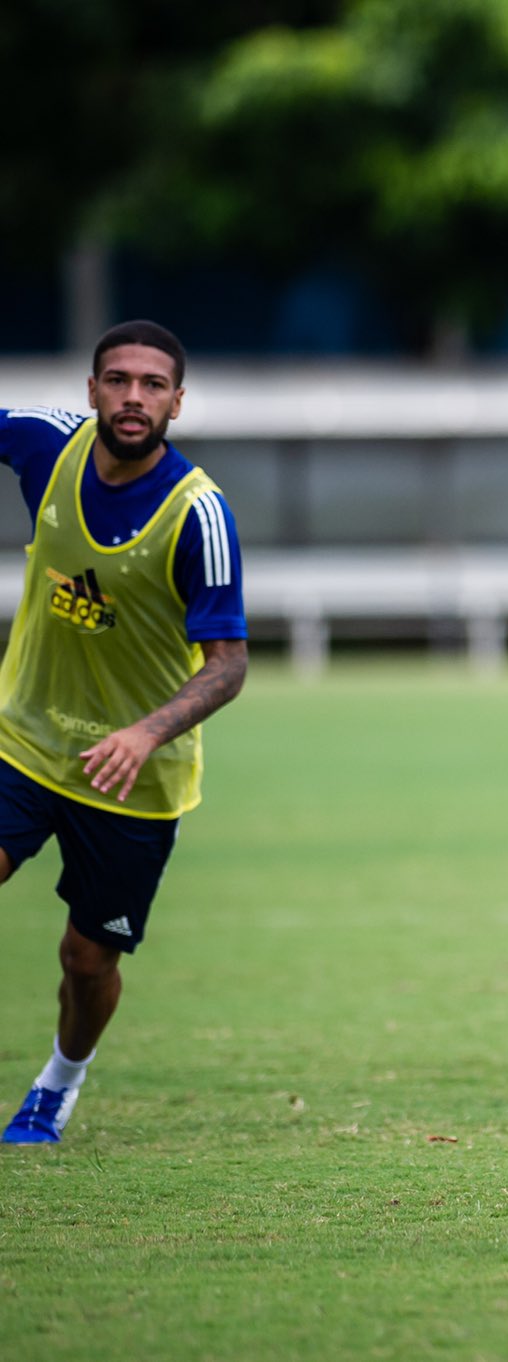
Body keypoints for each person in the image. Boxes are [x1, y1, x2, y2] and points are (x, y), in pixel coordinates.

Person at [0, 321, 248, 1144]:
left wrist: (143, 734)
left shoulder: (198, 514)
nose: (132, 397)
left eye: (151, 385)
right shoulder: (46, 447)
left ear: (178, 401)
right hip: (24, 741)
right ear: (92, 391)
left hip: (133, 780)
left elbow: (228, 665)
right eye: (117, 380)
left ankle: (58, 1085)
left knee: (87, 959)